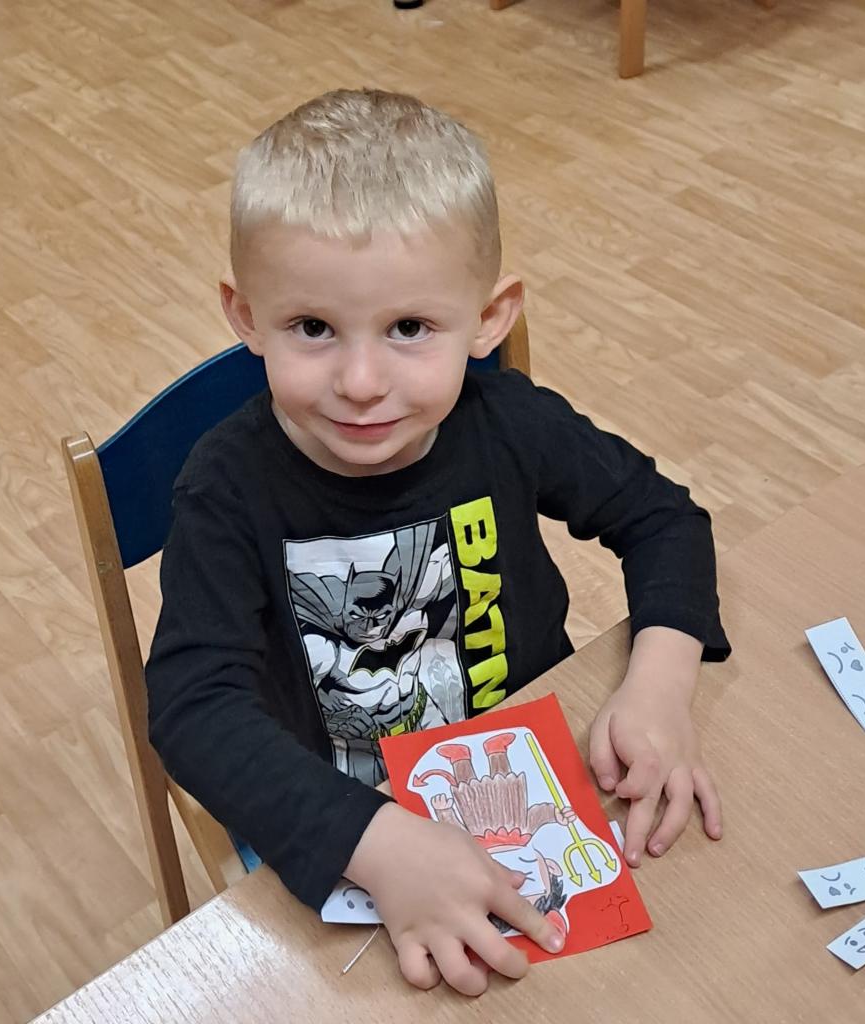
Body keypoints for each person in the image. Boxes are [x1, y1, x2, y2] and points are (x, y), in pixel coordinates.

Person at [145, 88, 731, 997]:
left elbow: (663, 519)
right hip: (338, 811)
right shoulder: (224, 486)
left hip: (537, 773)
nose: (361, 381)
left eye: (410, 328)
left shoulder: (511, 422)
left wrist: (660, 686)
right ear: (246, 315)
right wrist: (377, 844)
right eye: (312, 328)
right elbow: (192, 708)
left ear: (490, 318)